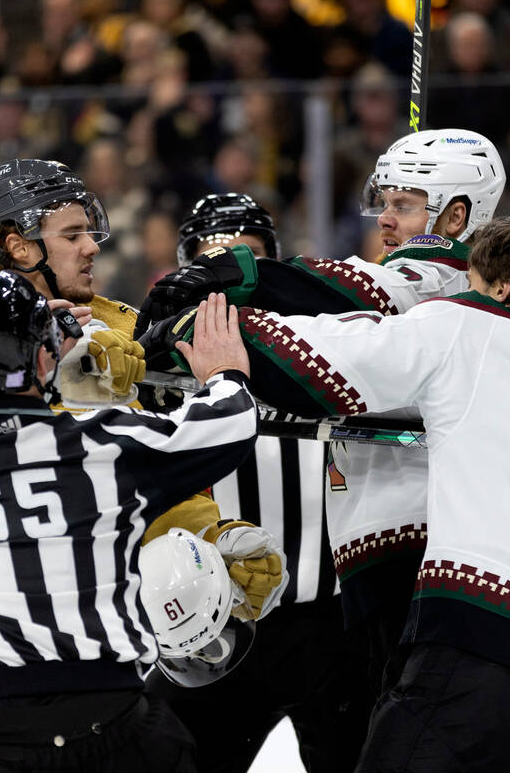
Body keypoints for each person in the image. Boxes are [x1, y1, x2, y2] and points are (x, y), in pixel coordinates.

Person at [144, 217, 510, 770]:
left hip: (482, 647)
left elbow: (320, 358)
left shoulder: (467, 326)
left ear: (500, 290)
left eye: (471, 278)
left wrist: (188, 334)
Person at [0, 159, 287, 755]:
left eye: (90, 231)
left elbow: (143, 458)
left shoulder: (125, 323)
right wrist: (62, 368)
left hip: (84, 604)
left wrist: (208, 543)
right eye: (72, 235)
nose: (92, 247)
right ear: (18, 246)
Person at [139, 129, 506, 707]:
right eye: (383, 203)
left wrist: (221, 292)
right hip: (307, 587)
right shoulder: (457, 292)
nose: (385, 219)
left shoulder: (437, 286)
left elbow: (345, 293)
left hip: (393, 567)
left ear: (456, 216)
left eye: (403, 205)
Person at [144, 193, 368, 773]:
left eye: (244, 258)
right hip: (217, 618)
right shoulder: (157, 359)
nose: (223, 279)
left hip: (331, 621)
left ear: (271, 261)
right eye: (208, 260)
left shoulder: (325, 344)